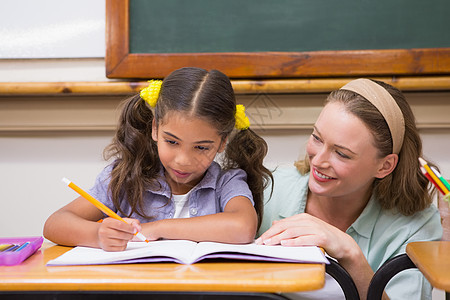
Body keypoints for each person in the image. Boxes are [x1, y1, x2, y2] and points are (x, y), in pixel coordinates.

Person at [44, 67, 272, 251]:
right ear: (155, 128)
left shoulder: (227, 183)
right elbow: (55, 224)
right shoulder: (125, 178)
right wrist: (98, 235)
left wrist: (155, 228)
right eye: (172, 142)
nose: (183, 160)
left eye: (201, 147)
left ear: (222, 142)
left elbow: (242, 227)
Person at [256, 78, 443, 300]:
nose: (319, 161)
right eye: (317, 138)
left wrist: (351, 255)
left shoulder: (414, 226)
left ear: (385, 166)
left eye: (341, 153)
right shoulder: (267, 190)